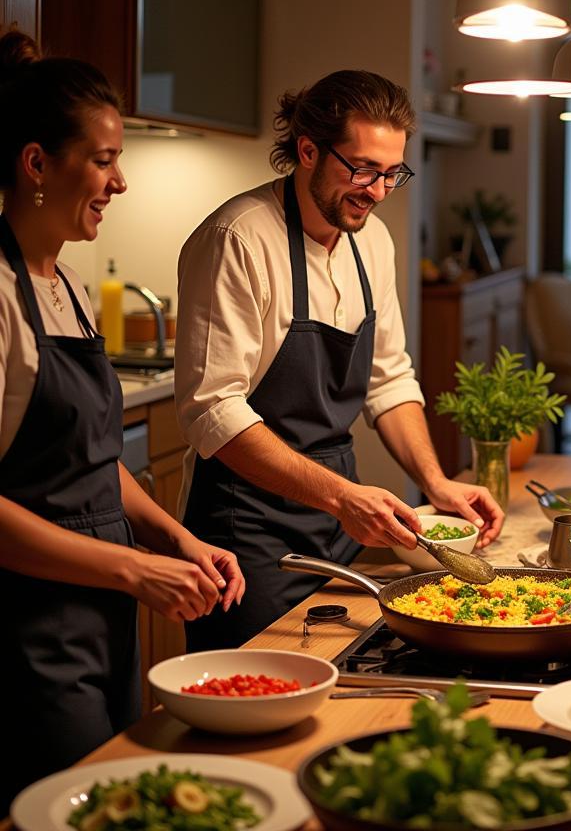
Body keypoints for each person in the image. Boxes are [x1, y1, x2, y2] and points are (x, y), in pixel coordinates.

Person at [176, 68, 504, 651]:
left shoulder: (372, 241)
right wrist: (342, 496)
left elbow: (390, 377)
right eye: (362, 169)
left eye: (391, 174)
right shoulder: (238, 239)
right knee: (260, 689)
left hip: (336, 517)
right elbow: (213, 414)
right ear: (307, 150)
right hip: (246, 530)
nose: (377, 192)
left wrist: (434, 482)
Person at [0, 29, 244, 811]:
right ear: (37, 164)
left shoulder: (67, 286)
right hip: (29, 631)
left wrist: (176, 538)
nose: (120, 181)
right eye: (103, 160)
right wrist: (138, 571)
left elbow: (94, 460)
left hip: (104, 618)